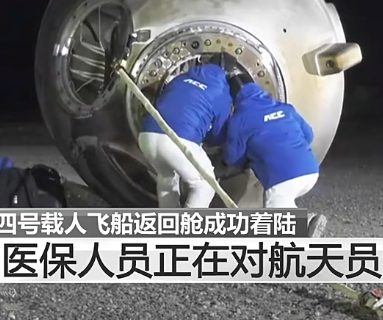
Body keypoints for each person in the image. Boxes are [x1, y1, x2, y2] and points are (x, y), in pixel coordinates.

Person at [223, 73, 327, 237]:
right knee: (283, 202)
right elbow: (309, 135)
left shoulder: (240, 120)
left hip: (283, 178)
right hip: (311, 171)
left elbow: (232, 158)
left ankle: (307, 222)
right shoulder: (286, 108)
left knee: (275, 214)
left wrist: (249, 157)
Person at [138, 53, 236, 208]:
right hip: (178, 141)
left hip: (147, 135)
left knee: (166, 179)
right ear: (228, 73)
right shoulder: (221, 91)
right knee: (205, 185)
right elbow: (218, 135)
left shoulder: (181, 78)